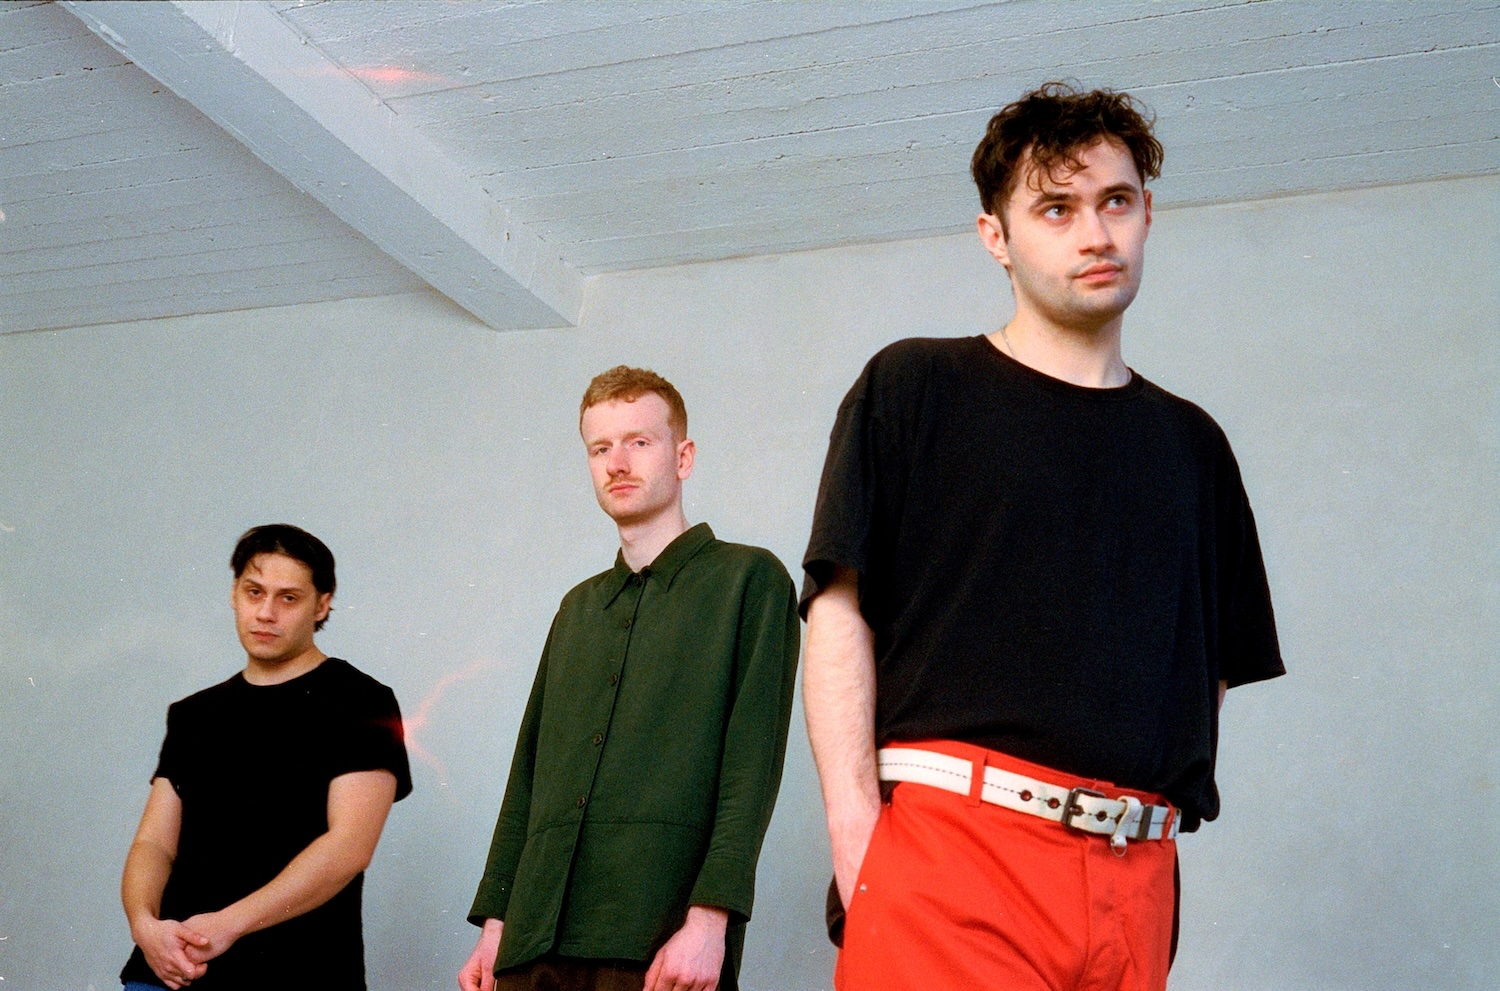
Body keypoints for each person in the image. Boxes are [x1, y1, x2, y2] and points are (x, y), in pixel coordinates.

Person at [800, 82, 1285, 991]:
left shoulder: (1195, 446)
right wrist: (859, 844)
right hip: (952, 854)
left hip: (1137, 877)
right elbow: (836, 614)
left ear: (1147, 215)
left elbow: (1205, 671)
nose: (1095, 234)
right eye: (1056, 209)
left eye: (1116, 202)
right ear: (997, 237)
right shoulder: (913, 387)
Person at [458, 367, 800, 991]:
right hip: (533, 942)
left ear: (683, 457)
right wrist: (496, 923)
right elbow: (528, 772)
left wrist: (710, 923)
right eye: (600, 448)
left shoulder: (749, 581)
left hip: (659, 939)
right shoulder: (578, 607)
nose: (617, 462)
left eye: (639, 442)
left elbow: (751, 768)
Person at [119, 524, 412, 991]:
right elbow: (154, 844)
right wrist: (144, 926)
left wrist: (227, 925)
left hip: (296, 975)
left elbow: (349, 848)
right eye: (254, 592)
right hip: (170, 971)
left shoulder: (360, 701)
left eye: (288, 598)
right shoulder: (194, 714)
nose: (266, 613)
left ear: (322, 605)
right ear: (234, 594)